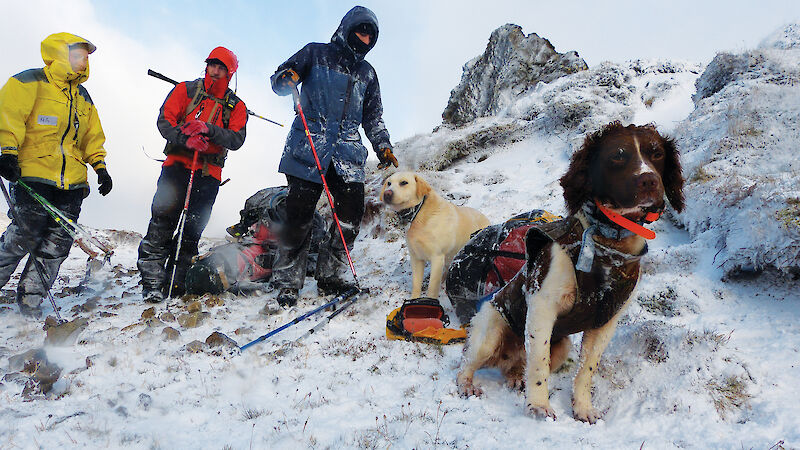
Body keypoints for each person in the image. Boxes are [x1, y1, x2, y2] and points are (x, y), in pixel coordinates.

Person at [269, 5, 398, 307]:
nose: (365, 38)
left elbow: (373, 117)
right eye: (361, 30)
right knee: (298, 215)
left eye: (371, 34)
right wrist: (285, 78)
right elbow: (279, 80)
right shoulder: (316, 53)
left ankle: (329, 274)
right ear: (349, 27)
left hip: (348, 154)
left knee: (350, 216)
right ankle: (288, 281)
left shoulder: (368, 73)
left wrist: (383, 146)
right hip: (309, 146)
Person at [0, 32, 112, 317]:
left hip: (72, 182)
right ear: (62, 54)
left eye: (85, 56)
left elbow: (91, 136)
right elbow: (9, 115)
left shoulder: (83, 96)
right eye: (78, 55)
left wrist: (100, 166)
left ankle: (31, 300)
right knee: (23, 236)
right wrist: (8, 152)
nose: (83, 60)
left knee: (57, 244)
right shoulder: (29, 82)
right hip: (33, 174)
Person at [137, 47, 247, 303]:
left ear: (230, 72)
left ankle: (176, 282)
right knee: (161, 224)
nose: (215, 71)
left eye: (221, 67)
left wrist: (209, 130)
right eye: (212, 65)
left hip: (208, 175)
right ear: (206, 66)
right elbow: (165, 121)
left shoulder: (236, 106)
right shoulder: (185, 90)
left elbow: (237, 138)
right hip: (176, 167)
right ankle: (152, 283)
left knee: (192, 230)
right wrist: (186, 138)